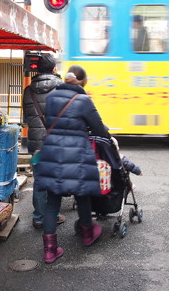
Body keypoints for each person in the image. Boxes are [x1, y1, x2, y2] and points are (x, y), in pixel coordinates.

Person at [35, 65, 111, 264]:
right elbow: (99, 129)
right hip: (77, 153)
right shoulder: (84, 100)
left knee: (53, 201)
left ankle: (50, 251)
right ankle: (87, 233)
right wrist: (105, 131)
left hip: (52, 151)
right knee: (82, 194)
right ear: (83, 81)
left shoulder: (51, 97)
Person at [21, 53, 65, 229]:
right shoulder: (62, 88)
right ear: (54, 69)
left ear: (37, 70)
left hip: (37, 146)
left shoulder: (28, 90)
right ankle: (53, 215)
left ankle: (38, 217)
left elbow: (27, 119)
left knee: (39, 181)